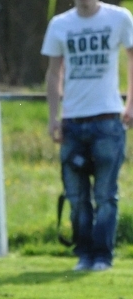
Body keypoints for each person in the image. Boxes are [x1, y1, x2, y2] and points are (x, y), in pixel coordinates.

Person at [42, 0, 133, 271]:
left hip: (107, 119)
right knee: (76, 196)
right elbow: (53, 72)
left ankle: (103, 256)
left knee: (106, 195)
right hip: (72, 121)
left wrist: (131, 103)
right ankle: (84, 255)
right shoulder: (60, 24)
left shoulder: (119, 17)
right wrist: (52, 117)